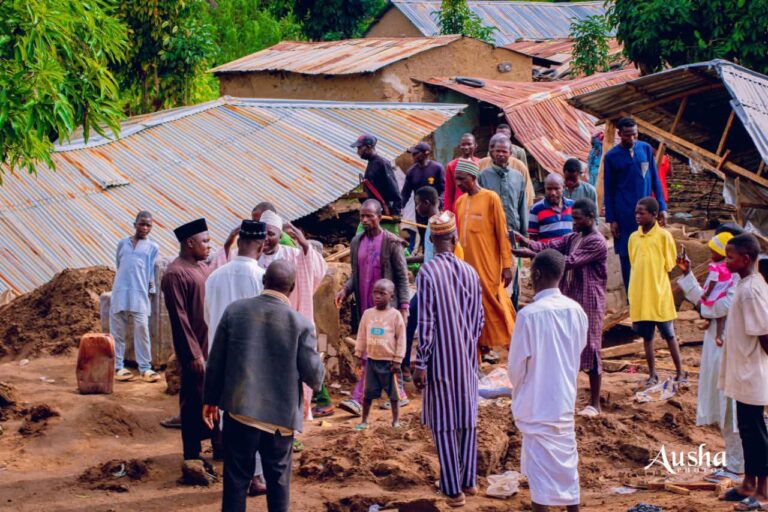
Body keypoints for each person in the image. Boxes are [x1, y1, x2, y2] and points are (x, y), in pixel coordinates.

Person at [203, 260, 325, 512]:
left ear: (263, 281)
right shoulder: (300, 324)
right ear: (291, 288)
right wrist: (319, 359)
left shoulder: (235, 311)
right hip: (279, 420)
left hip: (240, 412)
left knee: (236, 480)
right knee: (278, 481)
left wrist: (210, 400)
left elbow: (216, 361)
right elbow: (315, 377)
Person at [413, 211, 484, 509]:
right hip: (467, 358)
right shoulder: (471, 272)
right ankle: (469, 480)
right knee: (467, 418)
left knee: (443, 422)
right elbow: (479, 321)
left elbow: (426, 324)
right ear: (455, 239)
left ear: (431, 239)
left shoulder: (427, 273)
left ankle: (454, 490)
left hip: (440, 361)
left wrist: (420, 362)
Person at [508, 249, 587, 512]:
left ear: (537, 274)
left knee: (541, 474)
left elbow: (516, 367)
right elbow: (578, 350)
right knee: (566, 465)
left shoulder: (529, 315)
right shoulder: (576, 311)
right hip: (564, 397)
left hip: (537, 402)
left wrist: (519, 392)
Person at [514, 198, 607, 416]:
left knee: (591, 347)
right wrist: (525, 241)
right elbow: (550, 246)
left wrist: (534, 256)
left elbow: (569, 261)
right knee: (568, 346)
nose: (572, 222)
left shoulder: (597, 241)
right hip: (571, 296)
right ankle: (568, 397)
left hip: (590, 299)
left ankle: (595, 402)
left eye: (577, 218)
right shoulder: (574, 237)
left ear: (591, 218)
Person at [204, 220, 268, 497]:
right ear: (262, 245)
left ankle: (237, 477)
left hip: (221, 359)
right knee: (254, 420)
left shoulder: (214, 276)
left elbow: (208, 318)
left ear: (238, 242)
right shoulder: (262, 277)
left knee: (228, 418)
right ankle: (255, 477)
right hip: (254, 360)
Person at [677, 232, 743, 484]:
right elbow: (704, 301)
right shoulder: (723, 278)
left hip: (730, 353)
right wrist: (687, 275)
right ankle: (736, 464)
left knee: (733, 411)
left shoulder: (737, 283)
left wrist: (704, 304)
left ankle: (738, 467)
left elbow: (711, 307)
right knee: (726, 410)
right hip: (718, 352)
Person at [335, 199, 410, 416]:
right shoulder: (356, 242)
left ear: (380, 217)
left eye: (370, 216)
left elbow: (402, 278)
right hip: (366, 309)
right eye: (362, 216)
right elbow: (355, 275)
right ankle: (400, 394)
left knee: (374, 351)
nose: (365, 220)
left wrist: (403, 307)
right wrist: (344, 291)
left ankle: (358, 398)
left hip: (388, 309)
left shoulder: (391, 243)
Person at [258, 210, 328, 423]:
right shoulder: (253, 255)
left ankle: (291, 423)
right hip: (261, 328)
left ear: (280, 235)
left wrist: (305, 245)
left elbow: (313, 270)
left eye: (271, 234)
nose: (266, 239)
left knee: (290, 379)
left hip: (287, 327)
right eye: (262, 233)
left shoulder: (291, 254)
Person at [717, 234, 768, 510]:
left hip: (752, 373)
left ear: (746, 259)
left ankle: (762, 492)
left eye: (730, 257)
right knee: (747, 430)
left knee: (755, 431)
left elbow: (764, 333)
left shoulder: (752, 290)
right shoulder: (745, 284)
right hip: (743, 372)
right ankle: (748, 483)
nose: (726, 262)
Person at [161, 218, 214, 473]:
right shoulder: (175, 274)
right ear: (189, 242)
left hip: (209, 345)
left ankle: (219, 443)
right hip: (193, 350)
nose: (208, 245)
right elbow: (179, 319)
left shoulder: (202, 267)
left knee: (213, 397)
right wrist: (193, 354)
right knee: (193, 400)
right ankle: (192, 451)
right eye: (204, 241)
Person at [455, 160, 515, 357]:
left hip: (488, 263)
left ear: (473, 178)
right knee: (471, 305)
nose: (458, 183)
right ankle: (481, 347)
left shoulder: (491, 198)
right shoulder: (460, 202)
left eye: (462, 179)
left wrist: (507, 265)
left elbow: (502, 232)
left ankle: (510, 342)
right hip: (466, 265)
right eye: (456, 179)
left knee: (492, 302)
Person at [603, 117, 668, 292]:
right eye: (627, 135)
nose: (631, 139)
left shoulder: (645, 149)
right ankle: (632, 298)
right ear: (619, 134)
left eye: (634, 134)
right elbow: (608, 190)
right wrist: (612, 219)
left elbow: (655, 179)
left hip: (648, 214)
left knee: (650, 252)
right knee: (627, 254)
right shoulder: (611, 157)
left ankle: (651, 293)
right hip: (624, 215)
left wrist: (661, 207)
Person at [628, 197, 684, 386]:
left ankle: (681, 372)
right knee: (647, 337)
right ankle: (652, 374)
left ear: (653, 215)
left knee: (669, 334)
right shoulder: (633, 237)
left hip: (659, 294)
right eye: (636, 212)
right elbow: (633, 263)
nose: (637, 216)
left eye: (641, 213)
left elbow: (669, 264)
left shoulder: (664, 237)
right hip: (640, 294)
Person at [478, 137, 528, 310]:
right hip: (490, 236)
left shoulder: (518, 177)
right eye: (497, 151)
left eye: (504, 151)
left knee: (513, 280)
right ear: (492, 152)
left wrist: (524, 234)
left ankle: (512, 315)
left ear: (510, 153)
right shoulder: (483, 176)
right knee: (493, 275)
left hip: (512, 236)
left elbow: (522, 206)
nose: (500, 154)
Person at [110, 211, 161, 383]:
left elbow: (151, 271)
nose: (145, 228)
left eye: (148, 225)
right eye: (142, 224)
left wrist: (151, 292)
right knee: (117, 331)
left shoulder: (153, 247)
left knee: (142, 330)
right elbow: (119, 265)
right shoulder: (122, 244)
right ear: (135, 224)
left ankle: (145, 368)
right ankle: (118, 366)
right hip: (120, 292)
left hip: (140, 293)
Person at [354, 279, 407, 430]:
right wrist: (359, 355)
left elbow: (401, 339)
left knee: (394, 394)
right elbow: (361, 335)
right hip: (372, 361)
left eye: (382, 293)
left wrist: (398, 360)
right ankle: (364, 420)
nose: (377, 296)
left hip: (389, 363)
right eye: (375, 293)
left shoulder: (395, 316)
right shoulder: (367, 314)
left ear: (391, 296)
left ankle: (395, 421)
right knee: (368, 393)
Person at [401, 141, 445, 253]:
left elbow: (444, 189)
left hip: (436, 211)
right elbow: (405, 193)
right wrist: (400, 208)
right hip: (420, 212)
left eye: (416, 154)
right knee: (424, 236)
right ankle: (427, 257)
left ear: (426, 153)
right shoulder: (411, 172)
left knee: (438, 236)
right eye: (412, 154)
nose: (413, 156)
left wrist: (440, 204)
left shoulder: (437, 168)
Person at [478, 133, 534, 208]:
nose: (492, 150)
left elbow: (527, 196)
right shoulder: (481, 164)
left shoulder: (519, 166)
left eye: (503, 150)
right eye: (491, 147)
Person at [352, 133, 401, 217]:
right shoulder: (371, 163)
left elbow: (394, 189)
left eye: (360, 147)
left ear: (369, 147)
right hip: (374, 212)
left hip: (384, 214)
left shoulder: (382, 163)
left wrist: (396, 212)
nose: (358, 151)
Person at [700, 233, 736, 346]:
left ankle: (718, 335)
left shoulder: (721, 268)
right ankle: (710, 323)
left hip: (719, 293)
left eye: (713, 252)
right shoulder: (718, 265)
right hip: (718, 292)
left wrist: (708, 293)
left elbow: (713, 282)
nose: (711, 255)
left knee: (720, 316)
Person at [528, 173, 573, 244]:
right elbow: (533, 238)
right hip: (547, 253)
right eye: (549, 189)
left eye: (556, 188)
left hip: (570, 253)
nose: (553, 193)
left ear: (563, 188)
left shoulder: (572, 205)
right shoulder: (536, 209)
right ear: (544, 188)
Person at [444, 133, 479, 213]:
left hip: (477, 206)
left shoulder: (480, 163)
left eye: (469, 144)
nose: (466, 147)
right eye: (463, 144)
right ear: (459, 146)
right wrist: (447, 212)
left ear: (475, 145)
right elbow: (449, 192)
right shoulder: (451, 165)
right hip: (458, 208)